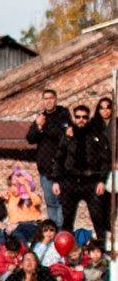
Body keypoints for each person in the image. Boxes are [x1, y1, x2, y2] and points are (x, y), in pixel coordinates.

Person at [53, 104, 112, 245]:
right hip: (70, 181)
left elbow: (105, 160)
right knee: (67, 219)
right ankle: (66, 250)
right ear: (74, 118)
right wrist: (56, 180)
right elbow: (59, 157)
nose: (81, 120)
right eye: (78, 117)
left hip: (91, 181)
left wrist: (102, 181)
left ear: (88, 117)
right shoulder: (67, 135)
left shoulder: (96, 134)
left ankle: (101, 248)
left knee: (98, 217)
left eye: (84, 117)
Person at [25, 88, 72, 228]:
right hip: (45, 168)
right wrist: (38, 126)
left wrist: (43, 127)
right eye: (45, 98)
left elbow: (61, 134)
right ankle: (54, 232)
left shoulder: (63, 114)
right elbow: (30, 138)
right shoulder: (41, 117)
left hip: (61, 167)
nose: (48, 101)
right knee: (51, 203)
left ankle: (61, 233)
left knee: (62, 202)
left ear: (56, 99)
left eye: (51, 98)